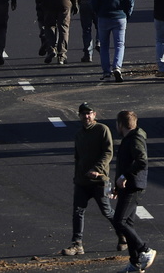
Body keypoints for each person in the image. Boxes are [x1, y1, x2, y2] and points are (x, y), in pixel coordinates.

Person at [62, 102, 113, 258]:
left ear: (95, 114)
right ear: (79, 116)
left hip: (99, 181)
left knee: (107, 212)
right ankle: (77, 244)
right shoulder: (79, 134)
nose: (86, 116)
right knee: (77, 212)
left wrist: (97, 170)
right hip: (82, 182)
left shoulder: (102, 130)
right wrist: (77, 176)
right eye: (83, 114)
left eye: (89, 113)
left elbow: (108, 153)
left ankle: (124, 234)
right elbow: (78, 158)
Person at [110, 110, 157, 272]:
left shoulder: (135, 139)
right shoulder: (130, 139)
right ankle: (135, 263)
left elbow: (141, 161)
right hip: (127, 185)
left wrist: (125, 176)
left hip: (133, 185)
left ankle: (144, 250)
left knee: (119, 221)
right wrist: (118, 185)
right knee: (127, 222)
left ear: (121, 124)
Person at [92, 0, 134, 82]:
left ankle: (106, 71)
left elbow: (94, 1)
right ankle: (117, 67)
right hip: (119, 17)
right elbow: (130, 0)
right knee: (119, 44)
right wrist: (127, 14)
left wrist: (98, 13)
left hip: (104, 17)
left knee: (104, 46)